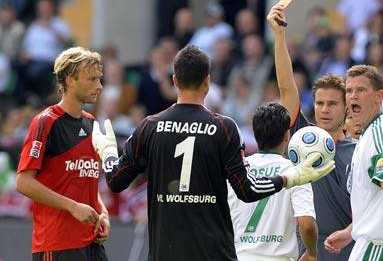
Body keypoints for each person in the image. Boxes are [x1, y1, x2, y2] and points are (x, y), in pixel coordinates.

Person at [91, 45, 335, 261]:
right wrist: (289, 178)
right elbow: (247, 190)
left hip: (165, 251)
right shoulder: (224, 128)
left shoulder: (149, 126)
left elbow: (115, 181)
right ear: (207, 81)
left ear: (175, 80)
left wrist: (109, 152)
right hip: (213, 251)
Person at [267, 5, 355, 261]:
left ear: (347, 107)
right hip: (307, 251)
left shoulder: (360, 151)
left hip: (348, 250)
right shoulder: (304, 138)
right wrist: (280, 36)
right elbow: (286, 88)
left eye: (332, 104)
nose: (324, 110)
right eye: (319, 103)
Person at [16, 47, 110, 261]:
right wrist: (72, 206)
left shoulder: (92, 123)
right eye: (92, 79)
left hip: (92, 244)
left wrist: (102, 212)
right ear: (70, 80)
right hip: (57, 244)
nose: (99, 86)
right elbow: (23, 182)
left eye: (99, 79)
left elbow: (87, 179)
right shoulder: (46, 122)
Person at [326, 65, 383, 261]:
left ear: (379, 96)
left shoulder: (381, 134)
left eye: (361, 90)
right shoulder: (372, 134)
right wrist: (352, 231)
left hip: (380, 246)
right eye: (349, 91)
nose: (353, 96)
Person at [227, 102, 318, 261]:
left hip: (238, 256)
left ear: (255, 134)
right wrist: (311, 254)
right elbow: (307, 224)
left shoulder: (237, 170)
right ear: (286, 136)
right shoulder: (296, 172)